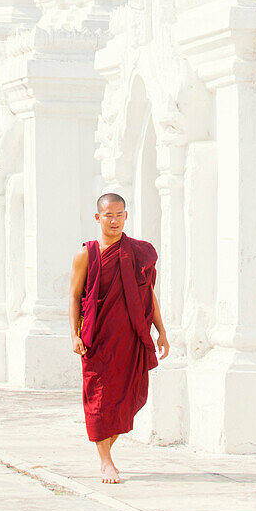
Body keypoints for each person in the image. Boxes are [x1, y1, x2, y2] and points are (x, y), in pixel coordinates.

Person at [68, 192, 169, 483]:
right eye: (108, 215)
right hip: (97, 338)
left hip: (131, 337)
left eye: (119, 214)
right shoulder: (86, 253)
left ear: (127, 215)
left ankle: (107, 451)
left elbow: (148, 293)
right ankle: (106, 460)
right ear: (98, 217)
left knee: (124, 399)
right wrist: (74, 334)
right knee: (99, 398)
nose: (114, 220)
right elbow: (75, 296)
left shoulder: (139, 252)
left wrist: (161, 331)